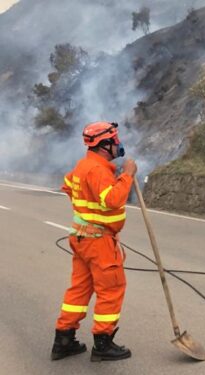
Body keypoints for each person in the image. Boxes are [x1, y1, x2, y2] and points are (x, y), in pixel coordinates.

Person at [51, 121, 136, 362]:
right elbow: (113, 199)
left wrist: (85, 211)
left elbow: (67, 186)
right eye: (115, 140)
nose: (118, 144)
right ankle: (103, 343)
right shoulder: (98, 170)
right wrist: (128, 175)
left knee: (79, 288)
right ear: (104, 144)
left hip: (81, 238)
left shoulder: (83, 165)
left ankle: (64, 340)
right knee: (111, 288)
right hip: (99, 241)